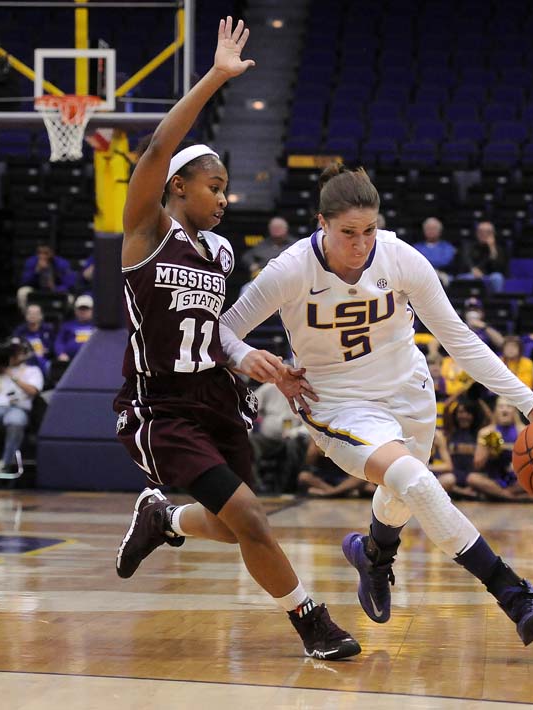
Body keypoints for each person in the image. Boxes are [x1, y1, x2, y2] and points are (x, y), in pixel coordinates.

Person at [220, 163, 533, 646]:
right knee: (417, 481)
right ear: (322, 223)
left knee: (406, 492)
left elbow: (459, 338)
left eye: (369, 231)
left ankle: (374, 556)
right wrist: (249, 355)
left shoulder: (400, 258)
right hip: (337, 401)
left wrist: (530, 403)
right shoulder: (291, 269)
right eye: (347, 233)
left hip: (408, 390)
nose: (360, 245)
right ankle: (514, 593)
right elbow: (224, 328)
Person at [111, 17, 360, 662]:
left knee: (234, 526)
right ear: (177, 188)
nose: (225, 198)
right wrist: (217, 78)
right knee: (250, 518)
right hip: (163, 406)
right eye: (214, 187)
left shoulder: (220, 250)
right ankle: (312, 624)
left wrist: (253, 360)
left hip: (219, 400)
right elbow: (158, 146)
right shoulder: (145, 232)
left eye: (226, 188)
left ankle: (163, 518)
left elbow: (217, 333)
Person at [0, 338, 43, 473]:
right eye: (11, 351)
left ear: (25, 353)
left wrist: (10, 374)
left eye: (17, 351)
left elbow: (33, 391)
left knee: (14, 420)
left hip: (18, 408)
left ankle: (5, 463)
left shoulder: (32, 370)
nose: (13, 355)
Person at [250, 379, 309, 493]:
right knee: (249, 442)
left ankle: (288, 487)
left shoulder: (305, 390)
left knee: (293, 445)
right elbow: (250, 406)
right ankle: (255, 485)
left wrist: (295, 432)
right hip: (267, 438)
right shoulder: (269, 387)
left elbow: (311, 423)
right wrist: (249, 428)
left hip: (293, 437)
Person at [466, 398, 530, 501]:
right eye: (501, 406)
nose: (504, 410)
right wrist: (487, 450)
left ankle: (498, 495)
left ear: (515, 410)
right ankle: (511, 497)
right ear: (495, 410)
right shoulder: (485, 432)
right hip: (494, 479)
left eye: (509, 406)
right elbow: (477, 465)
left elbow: (532, 462)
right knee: (472, 478)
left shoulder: (524, 431)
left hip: (517, 479)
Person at [441, 396, 488, 499]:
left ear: (473, 415)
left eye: (468, 413)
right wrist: (462, 391)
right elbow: (446, 407)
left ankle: (462, 493)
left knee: (480, 480)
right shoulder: (451, 431)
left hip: (472, 477)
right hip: (453, 477)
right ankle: (463, 492)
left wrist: (477, 398)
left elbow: (489, 418)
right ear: (456, 414)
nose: (464, 416)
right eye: (460, 412)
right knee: (445, 481)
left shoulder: (480, 432)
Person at [297, 438, 376, 498]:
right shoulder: (316, 435)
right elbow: (310, 462)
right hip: (324, 476)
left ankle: (330, 493)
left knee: (367, 485)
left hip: (343, 476)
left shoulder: (344, 435)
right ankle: (339, 492)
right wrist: (313, 451)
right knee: (304, 477)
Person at [16, 244, 77, 313]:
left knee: (70, 299)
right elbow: (24, 281)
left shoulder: (62, 264)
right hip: (36, 290)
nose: (42, 256)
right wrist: (36, 271)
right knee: (22, 292)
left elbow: (69, 284)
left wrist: (56, 288)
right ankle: (28, 317)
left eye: (45, 253)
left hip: (56, 291)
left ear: (52, 253)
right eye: (40, 253)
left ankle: (63, 320)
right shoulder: (31, 262)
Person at [459, 221, 506, 294]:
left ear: (493, 234)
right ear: (477, 233)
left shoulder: (498, 248)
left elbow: (499, 267)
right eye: (480, 231)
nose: (483, 234)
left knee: (497, 277)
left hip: (490, 275)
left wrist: (492, 247)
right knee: (463, 278)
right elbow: (465, 261)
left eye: (487, 232)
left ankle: (496, 301)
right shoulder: (470, 246)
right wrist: (473, 269)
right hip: (472, 274)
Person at [11, 303, 55, 375]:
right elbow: (14, 345)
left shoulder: (48, 330)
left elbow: (53, 346)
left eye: (35, 313)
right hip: (24, 360)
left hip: (43, 360)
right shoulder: (20, 330)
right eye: (30, 313)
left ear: (41, 316)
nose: (32, 316)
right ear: (26, 316)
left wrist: (46, 351)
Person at [412, 217, 456, 287]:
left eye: (434, 229)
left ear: (440, 231)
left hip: (441, 273)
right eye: (428, 229)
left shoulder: (447, 247)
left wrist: (425, 261)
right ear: (424, 231)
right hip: (422, 274)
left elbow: (445, 261)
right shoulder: (416, 247)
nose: (431, 231)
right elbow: (414, 263)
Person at [54, 294, 96, 363]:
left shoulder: (97, 327)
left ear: (92, 310)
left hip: (92, 360)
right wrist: (61, 353)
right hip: (70, 361)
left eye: (86, 309)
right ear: (75, 310)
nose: (83, 311)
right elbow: (59, 342)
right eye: (80, 309)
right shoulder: (67, 326)